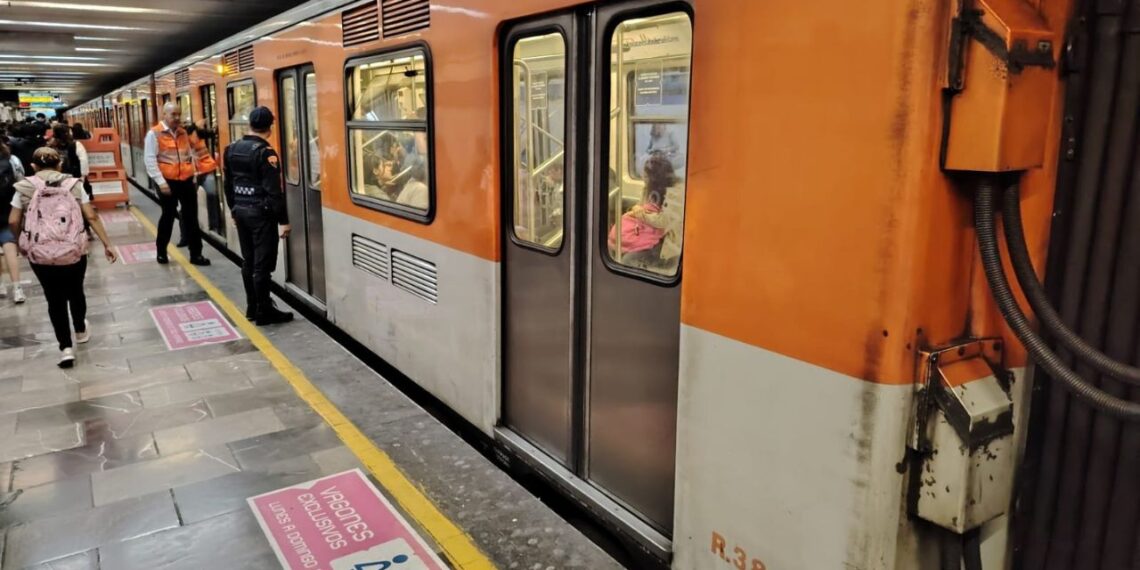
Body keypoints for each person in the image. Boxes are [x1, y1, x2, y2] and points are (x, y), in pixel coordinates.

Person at [9, 147, 117, 368]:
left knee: (54, 299)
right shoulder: (74, 185)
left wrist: (21, 240)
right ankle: (80, 329)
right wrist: (107, 244)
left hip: (40, 254)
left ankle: (65, 348)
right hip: (73, 250)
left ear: (33, 166)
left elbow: (12, 220)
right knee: (76, 290)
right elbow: (91, 215)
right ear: (60, 165)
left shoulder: (23, 187)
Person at [223, 106, 292, 326]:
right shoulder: (266, 153)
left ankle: (252, 307)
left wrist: (233, 210)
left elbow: (228, 184)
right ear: (270, 127)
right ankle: (264, 311)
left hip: (241, 212)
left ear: (250, 125)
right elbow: (274, 192)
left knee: (249, 261)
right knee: (263, 265)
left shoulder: (231, 149)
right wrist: (284, 221)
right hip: (261, 215)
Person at [144, 102, 210, 266]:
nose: (177, 118)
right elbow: (150, 160)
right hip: (168, 183)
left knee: (191, 218)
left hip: (186, 181)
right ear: (164, 115)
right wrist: (160, 182)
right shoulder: (154, 134)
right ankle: (161, 252)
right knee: (167, 216)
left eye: (178, 114)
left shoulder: (183, 133)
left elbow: (192, 153)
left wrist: (194, 176)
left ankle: (196, 254)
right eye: (173, 114)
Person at [607, 152, 677, 267]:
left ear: (655, 177)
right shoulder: (647, 188)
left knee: (627, 260)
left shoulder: (672, 193)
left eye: (646, 175)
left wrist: (642, 215)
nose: (643, 177)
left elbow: (664, 221)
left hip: (661, 237)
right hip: (644, 228)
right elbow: (641, 204)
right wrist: (636, 209)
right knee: (611, 246)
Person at [181, 119, 219, 245]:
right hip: (192, 174)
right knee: (188, 206)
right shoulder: (182, 139)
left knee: (212, 197)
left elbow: (211, 133)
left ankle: (215, 225)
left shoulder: (197, 133)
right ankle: (186, 235)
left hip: (206, 170)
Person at [0, 138, 26, 303]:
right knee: (10, 249)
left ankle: (0, 286)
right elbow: (20, 180)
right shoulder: (12, 159)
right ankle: (17, 289)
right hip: (7, 208)